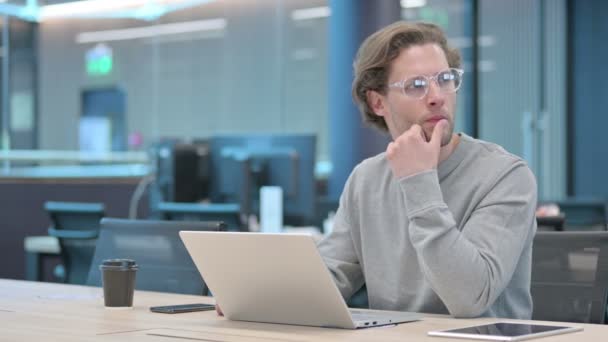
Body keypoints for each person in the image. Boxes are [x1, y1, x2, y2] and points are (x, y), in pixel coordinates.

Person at [316, 21, 537, 319]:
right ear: (378, 101)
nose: (437, 96)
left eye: (445, 79)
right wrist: (253, 297)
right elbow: (328, 280)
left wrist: (418, 182)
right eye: (416, 85)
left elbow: (469, 297)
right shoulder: (366, 179)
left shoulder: (506, 175)